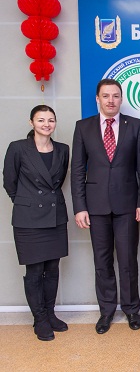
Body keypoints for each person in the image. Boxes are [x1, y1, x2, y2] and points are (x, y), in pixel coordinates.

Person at [71, 78, 140, 334]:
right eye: (106, 96)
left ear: (121, 99)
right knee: (102, 262)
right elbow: (77, 169)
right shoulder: (83, 127)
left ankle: (131, 309)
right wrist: (79, 207)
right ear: (97, 99)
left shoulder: (135, 126)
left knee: (128, 261)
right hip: (95, 206)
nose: (111, 100)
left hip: (127, 205)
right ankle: (106, 312)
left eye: (115, 96)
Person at [3, 105, 69, 341]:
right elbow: (9, 182)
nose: (46, 124)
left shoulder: (63, 149)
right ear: (31, 122)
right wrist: (27, 203)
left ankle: (50, 314)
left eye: (51, 120)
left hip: (55, 216)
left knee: (52, 269)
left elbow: (58, 181)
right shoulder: (18, 148)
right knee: (34, 271)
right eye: (41, 120)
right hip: (28, 219)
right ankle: (39, 319)